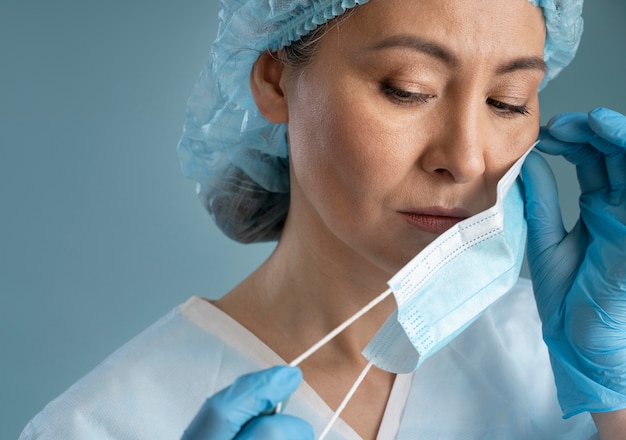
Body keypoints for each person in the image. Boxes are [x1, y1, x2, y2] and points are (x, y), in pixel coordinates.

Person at [19, 0, 626, 439]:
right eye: (407, 89)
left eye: (507, 102)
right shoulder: (99, 424)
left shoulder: (567, 365)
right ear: (274, 80)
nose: (466, 159)